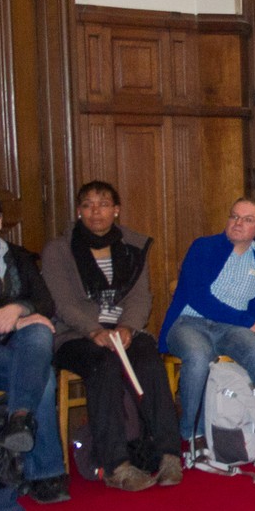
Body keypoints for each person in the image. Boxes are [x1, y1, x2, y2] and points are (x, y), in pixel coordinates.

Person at [43, 181, 182, 491]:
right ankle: (116, 464)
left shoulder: (133, 245)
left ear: (116, 210)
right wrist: (94, 330)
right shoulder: (59, 250)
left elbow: (140, 297)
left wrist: (128, 327)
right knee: (104, 365)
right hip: (76, 335)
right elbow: (62, 302)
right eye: (88, 205)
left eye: (104, 205)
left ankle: (169, 454)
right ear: (79, 211)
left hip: (123, 331)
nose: (96, 212)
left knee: (149, 359)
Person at [159, 198, 255, 463]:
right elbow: (198, 297)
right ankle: (194, 434)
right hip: (190, 322)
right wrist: (244, 319)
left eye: (247, 219)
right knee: (198, 357)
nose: (238, 223)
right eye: (234, 216)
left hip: (232, 329)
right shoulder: (204, 247)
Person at [0, 189, 68, 504]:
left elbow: (45, 303)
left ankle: (19, 417)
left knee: (39, 331)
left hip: (20, 348)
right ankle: (46, 474)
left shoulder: (18, 256)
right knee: (42, 374)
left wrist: (19, 309)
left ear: (0, 221)